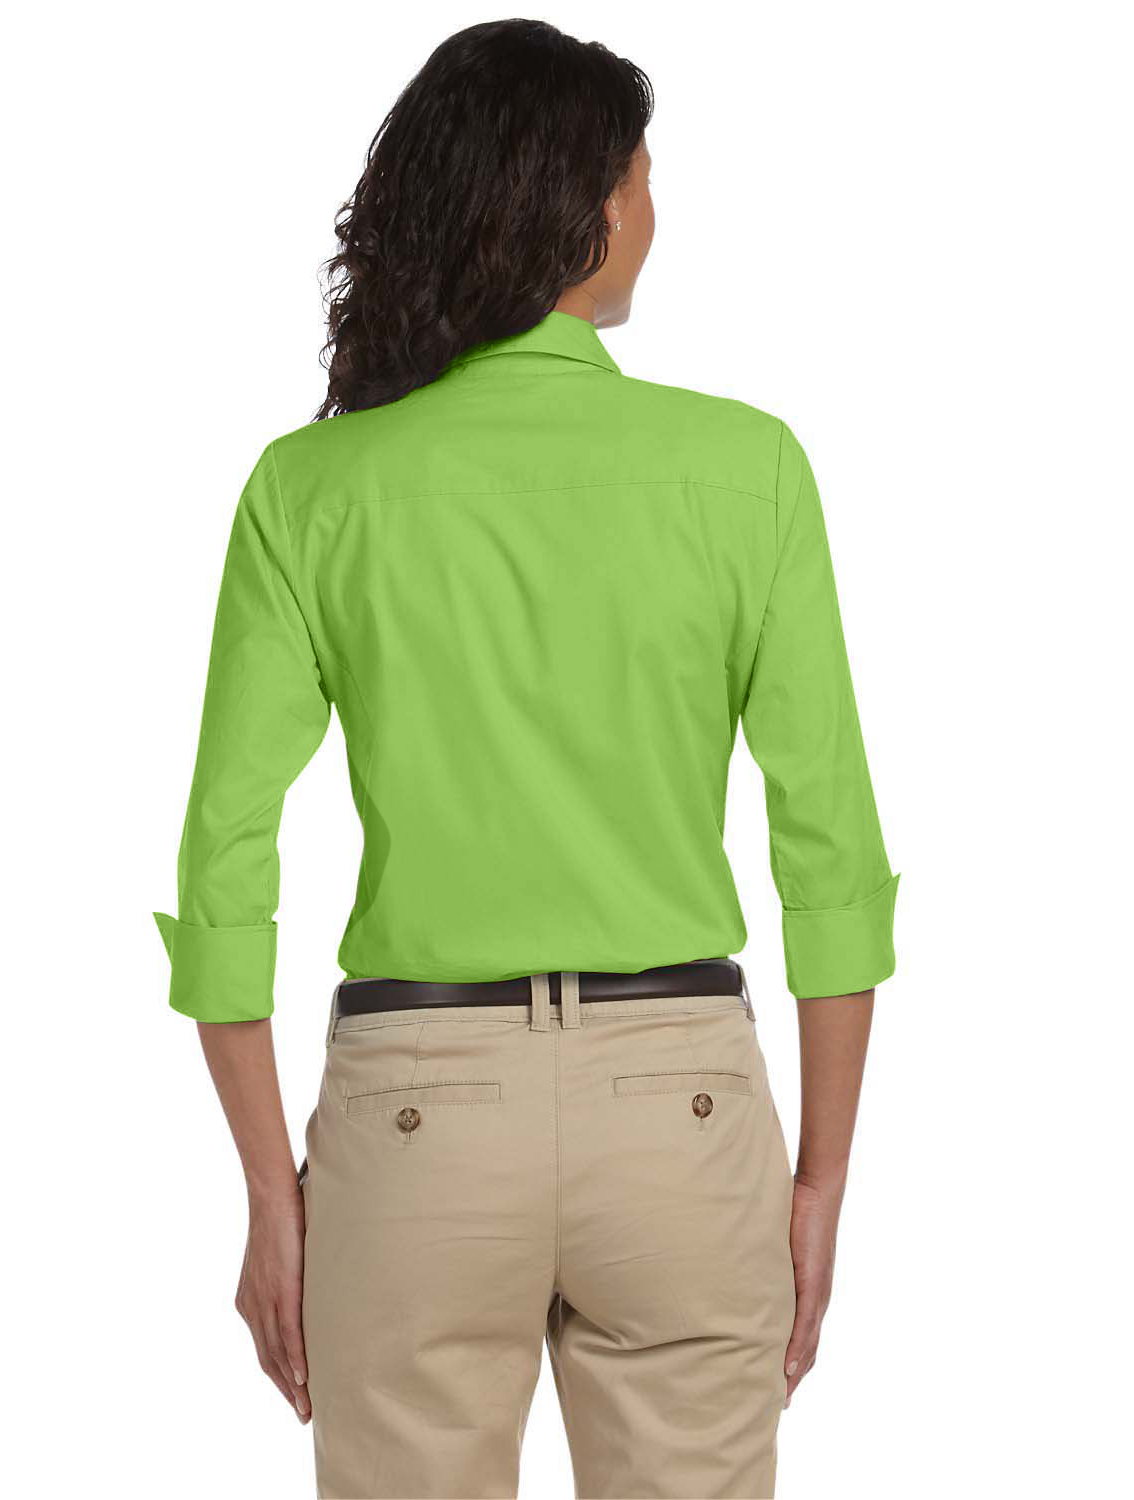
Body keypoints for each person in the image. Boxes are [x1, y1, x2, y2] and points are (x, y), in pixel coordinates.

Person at [153, 19, 899, 1500]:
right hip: (682, 1114)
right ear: (583, 204)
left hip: (416, 1124)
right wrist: (819, 1180)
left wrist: (271, 1197)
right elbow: (829, 853)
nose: (655, 212)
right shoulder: (746, 467)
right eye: (642, 180)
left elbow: (224, 858)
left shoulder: (313, 488)